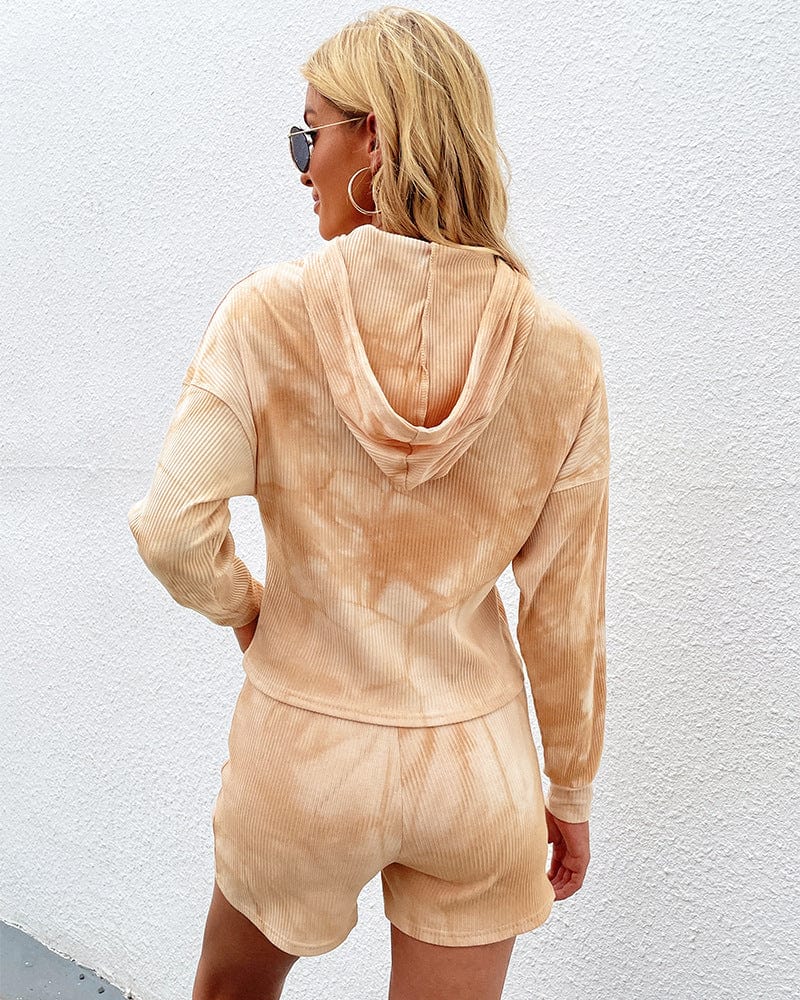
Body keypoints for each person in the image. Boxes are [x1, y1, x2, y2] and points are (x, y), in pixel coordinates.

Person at [127, 7, 610, 999]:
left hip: (304, 751)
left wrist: (249, 611)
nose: (302, 166)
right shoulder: (561, 353)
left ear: (375, 138)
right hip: (475, 766)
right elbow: (564, 612)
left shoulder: (269, 313)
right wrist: (566, 786)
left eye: (309, 134)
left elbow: (172, 528)